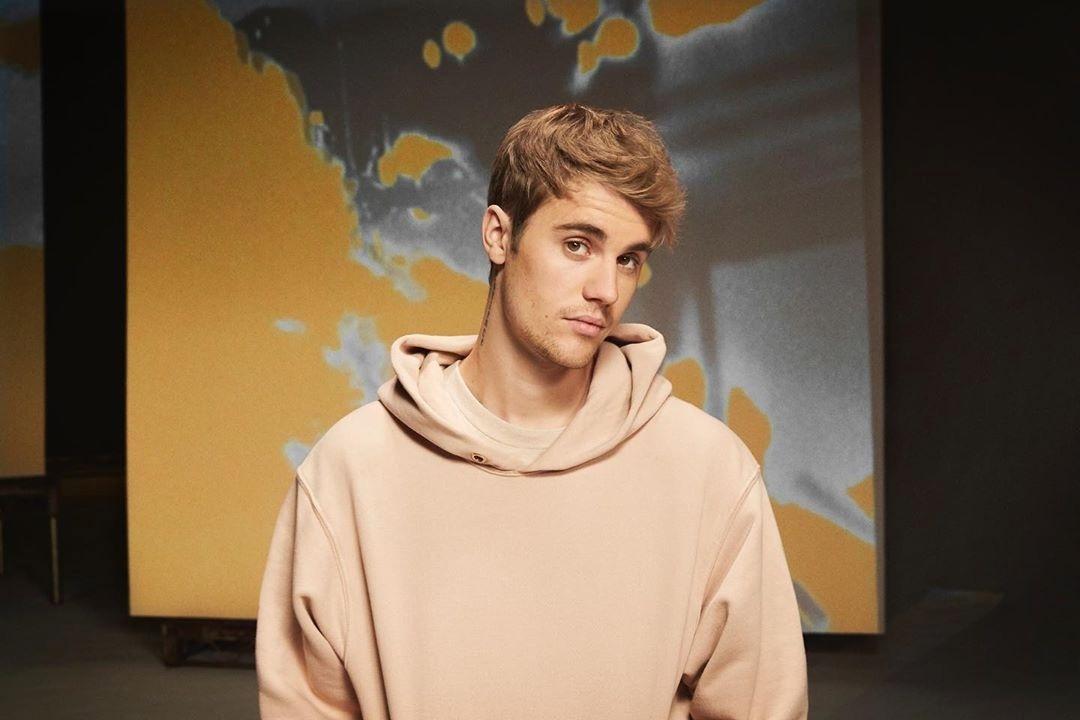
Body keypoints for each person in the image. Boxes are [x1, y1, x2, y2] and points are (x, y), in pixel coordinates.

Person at [255, 103, 808, 719]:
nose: (606, 290)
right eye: (578, 245)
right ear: (499, 235)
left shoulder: (708, 469)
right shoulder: (350, 468)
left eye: (629, 259)